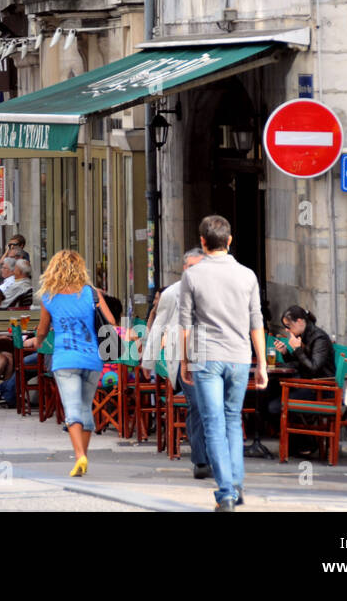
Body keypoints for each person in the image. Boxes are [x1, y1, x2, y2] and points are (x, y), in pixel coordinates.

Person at [178, 215, 268, 512]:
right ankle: (237, 483)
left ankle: (226, 491)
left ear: (202, 242)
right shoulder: (248, 275)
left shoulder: (192, 276)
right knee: (232, 420)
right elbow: (257, 321)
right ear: (229, 241)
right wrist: (262, 364)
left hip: (206, 357)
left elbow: (185, 324)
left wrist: (184, 361)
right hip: (240, 357)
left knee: (213, 423)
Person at [31, 250, 117, 475]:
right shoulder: (92, 293)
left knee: (72, 410)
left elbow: (42, 330)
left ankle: (79, 456)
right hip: (92, 358)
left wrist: (37, 342)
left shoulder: (49, 297)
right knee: (85, 407)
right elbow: (111, 321)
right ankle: (83, 458)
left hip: (65, 359)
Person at [142, 248, 209, 478]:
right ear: (184, 269)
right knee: (198, 405)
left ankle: (214, 455)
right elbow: (159, 325)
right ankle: (201, 461)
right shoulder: (172, 293)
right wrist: (148, 363)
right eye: (191, 268)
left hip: (213, 357)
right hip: (184, 360)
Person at [272, 305, 334, 379]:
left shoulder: (320, 338)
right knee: (272, 380)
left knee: (274, 384)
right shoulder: (302, 335)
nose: (286, 330)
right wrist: (285, 352)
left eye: (288, 325)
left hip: (320, 385)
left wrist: (297, 349)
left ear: (299, 321)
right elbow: (297, 363)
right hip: (307, 379)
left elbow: (313, 368)